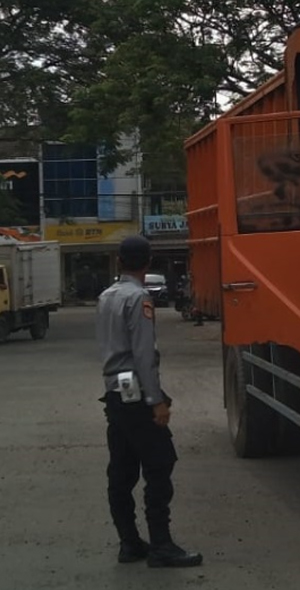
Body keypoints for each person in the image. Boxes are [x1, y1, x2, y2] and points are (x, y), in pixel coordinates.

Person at [96, 235, 203, 568]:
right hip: (136, 391)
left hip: (115, 390)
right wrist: (156, 401)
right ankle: (161, 545)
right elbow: (143, 355)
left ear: (118, 261)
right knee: (159, 463)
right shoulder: (139, 297)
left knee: (122, 470)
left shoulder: (106, 296)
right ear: (148, 262)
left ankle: (129, 542)